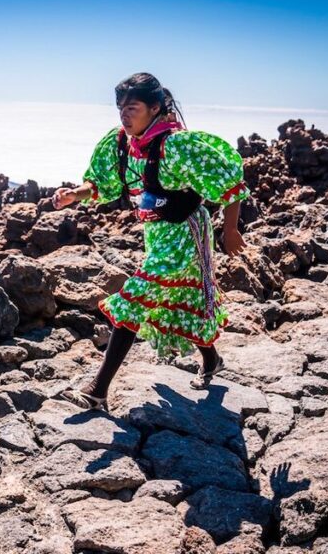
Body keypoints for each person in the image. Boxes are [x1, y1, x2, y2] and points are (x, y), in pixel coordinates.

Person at [51, 72, 251, 411]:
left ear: (155, 107)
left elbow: (229, 178)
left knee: (133, 301)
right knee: (183, 297)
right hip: (156, 234)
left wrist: (230, 230)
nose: (124, 115)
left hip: (185, 234)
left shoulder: (175, 145)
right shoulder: (120, 145)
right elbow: (104, 185)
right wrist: (75, 195)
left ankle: (97, 391)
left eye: (133, 107)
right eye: (121, 108)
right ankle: (212, 360)